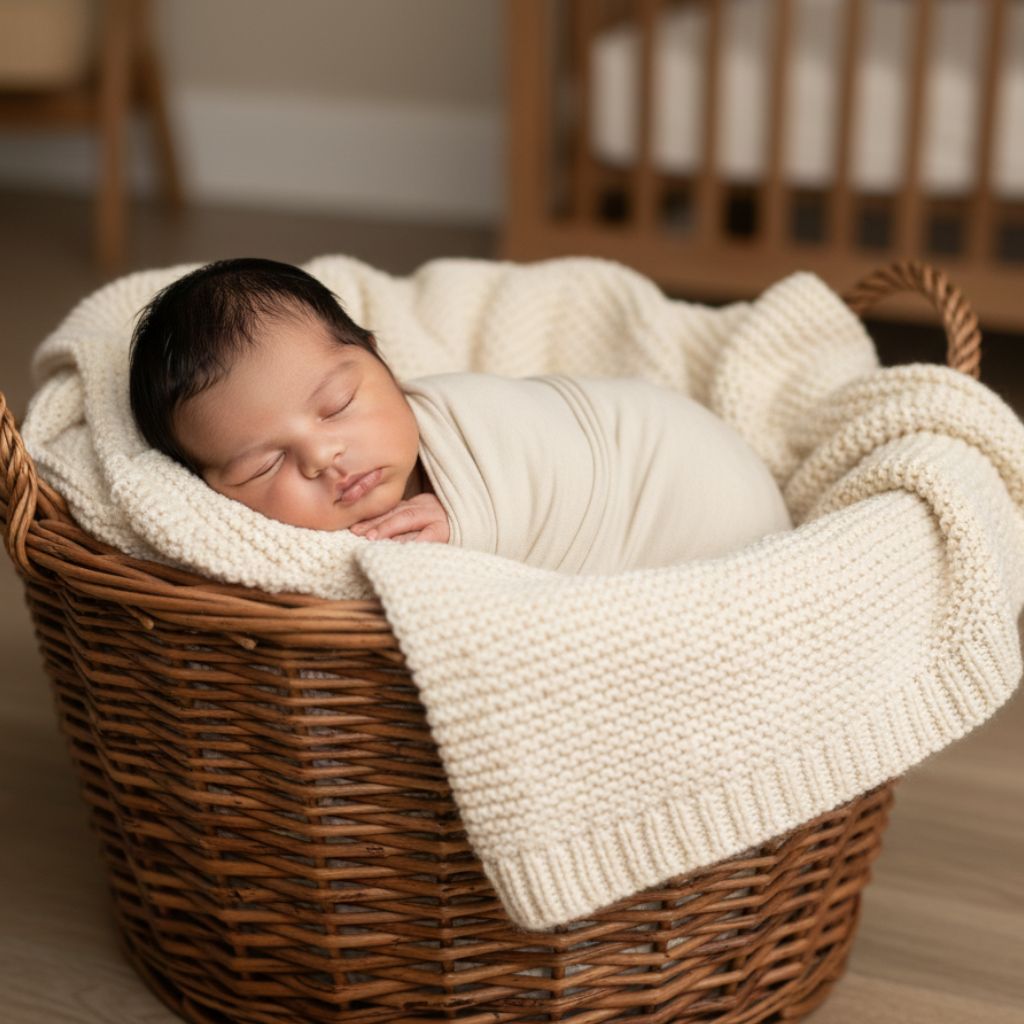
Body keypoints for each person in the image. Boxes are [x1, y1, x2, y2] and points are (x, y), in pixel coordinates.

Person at [129, 257, 451, 543]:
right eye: (265, 466)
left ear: (379, 359)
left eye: (339, 405)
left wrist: (468, 518)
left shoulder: (463, 417)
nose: (321, 456)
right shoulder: (276, 556)